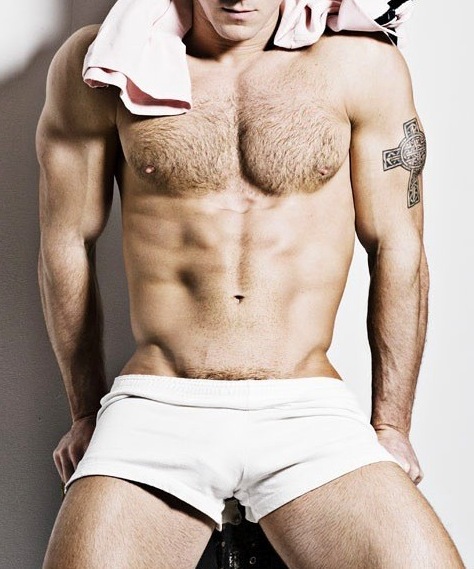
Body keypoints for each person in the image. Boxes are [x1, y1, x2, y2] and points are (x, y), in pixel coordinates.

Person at [36, 0, 466, 566]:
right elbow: (66, 242)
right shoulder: (104, 65)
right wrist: (84, 412)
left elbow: (398, 246)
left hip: (304, 407)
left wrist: (391, 424)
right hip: (158, 403)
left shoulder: (361, 66)